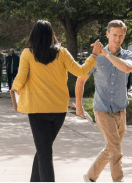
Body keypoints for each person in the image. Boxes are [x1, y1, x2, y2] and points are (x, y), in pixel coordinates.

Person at [11, 20, 102, 182]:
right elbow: (80, 71)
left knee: (44, 153)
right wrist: (94, 55)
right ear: (51, 34)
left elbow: (20, 79)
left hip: (37, 110)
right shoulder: (62, 53)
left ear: (34, 35)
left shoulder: (28, 54)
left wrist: (14, 88)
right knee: (43, 150)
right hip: (59, 110)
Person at [75, 20, 132, 183]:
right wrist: (79, 107)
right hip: (102, 110)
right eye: (114, 35)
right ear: (107, 34)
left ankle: (90, 177)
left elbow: (127, 68)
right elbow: (80, 80)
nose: (118, 38)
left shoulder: (129, 56)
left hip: (121, 109)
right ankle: (118, 180)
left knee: (111, 148)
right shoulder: (95, 58)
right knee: (116, 150)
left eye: (121, 35)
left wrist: (106, 54)